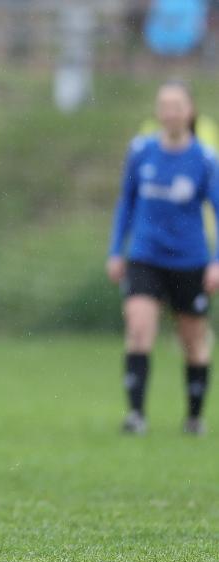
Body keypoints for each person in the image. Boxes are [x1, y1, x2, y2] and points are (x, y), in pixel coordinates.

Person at [107, 82, 219, 436]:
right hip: (145, 255)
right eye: (164, 105)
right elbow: (126, 201)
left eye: (177, 105)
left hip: (189, 259)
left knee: (193, 340)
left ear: (190, 111)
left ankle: (194, 417)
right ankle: (136, 415)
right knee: (139, 329)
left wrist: (216, 262)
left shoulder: (204, 159)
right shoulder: (141, 151)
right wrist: (115, 250)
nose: (170, 112)